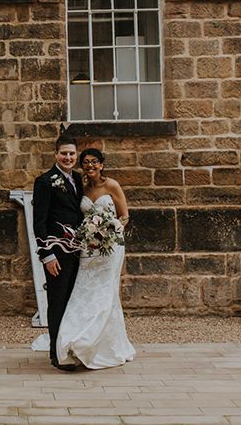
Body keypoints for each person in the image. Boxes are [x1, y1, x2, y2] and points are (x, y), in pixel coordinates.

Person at [55, 147, 136, 369]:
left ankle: (87, 343)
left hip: (110, 247)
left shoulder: (112, 185)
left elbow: (125, 216)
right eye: (86, 163)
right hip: (88, 248)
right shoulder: (81, 188)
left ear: (101, 164)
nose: (90, 166)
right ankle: (76, 340)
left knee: (104, 293)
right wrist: (89, 233)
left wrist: (111, 229)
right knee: (84, 291)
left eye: (94, 162)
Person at [32, 134, 84, 371]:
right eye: (64, 153)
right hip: (57, 254)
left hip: (79, 253)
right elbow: (39, 222)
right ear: (56, 155)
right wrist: (47, 254)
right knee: (58, 301)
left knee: (75, 302)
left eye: (72, 154)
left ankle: (73, 348)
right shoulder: (45, 181)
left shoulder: (79, 180)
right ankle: (56, 354)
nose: (68, 157)